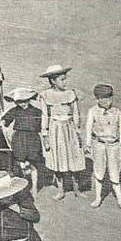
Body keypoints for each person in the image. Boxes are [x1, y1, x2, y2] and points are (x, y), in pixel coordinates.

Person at [39, 64, 85, 200]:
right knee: (58, 159)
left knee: (74, 157)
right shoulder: (45, 95)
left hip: (69, 128)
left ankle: (77, 189)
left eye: (65, 79)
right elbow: (44, 115)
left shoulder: (71, 94)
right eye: (61, 80)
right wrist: (45, 134)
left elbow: (76, 113)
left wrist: (77, 130)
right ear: (53, 81)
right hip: (56, 130)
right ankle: (61, 190)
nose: (65, 82)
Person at [84, 83, 121, 210]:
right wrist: (88, 143)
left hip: (113, 146)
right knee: (99, 171)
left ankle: (120, 200)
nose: (107, 101)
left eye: (110, 98)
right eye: (104, 99)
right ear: (98, 99)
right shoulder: (93, 111)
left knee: (115, 172)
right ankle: (98, 198)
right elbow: (88, 128)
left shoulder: (117, 112)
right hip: (99, 145)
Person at [1, 87, 44, 195]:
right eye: (19, 102)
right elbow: (5, 120)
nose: (22, 104)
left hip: (32, 139)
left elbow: (43, 125)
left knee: (33, 164)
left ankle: (34, 187)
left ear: (29, 99)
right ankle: (22, 186)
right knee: (20, 163)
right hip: (19, 138)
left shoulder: (37, 111)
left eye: (25, 101)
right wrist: (2, 122)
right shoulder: (15, 110)